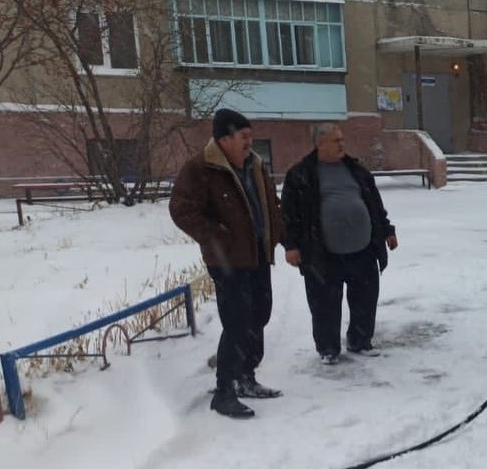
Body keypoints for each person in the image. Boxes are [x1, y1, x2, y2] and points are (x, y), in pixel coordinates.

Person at [170, 109, 284, 419]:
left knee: (259, 315)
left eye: (251, 135)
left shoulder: (255, 166)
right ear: (224, 140)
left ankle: (246, 377)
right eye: (244, 137)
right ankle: (224, 391)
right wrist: (217, 236)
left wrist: (284, 237)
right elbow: (182, 211)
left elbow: (270, 206)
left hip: (257, 254)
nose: (251, 142)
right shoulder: (201, 169)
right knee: (236, 323)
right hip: (228, 261)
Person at [280, 123, 398, 364]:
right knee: (325, 305)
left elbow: (374, 204)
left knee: (365, 298)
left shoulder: (355, 170)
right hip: (323, 254)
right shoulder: (301, 174)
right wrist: (291, 245)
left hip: (363, 251)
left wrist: (387, 230)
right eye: (335, 140)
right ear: (319, 143)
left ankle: (360, 340)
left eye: (342, 139)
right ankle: (328, 349)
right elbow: (288, 215)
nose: (342, 144)